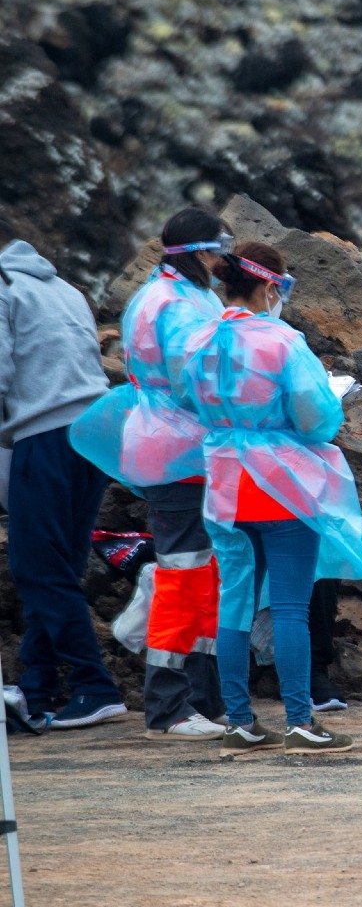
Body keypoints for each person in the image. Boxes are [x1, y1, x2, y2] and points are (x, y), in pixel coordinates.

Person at [184, 242, 362, 756]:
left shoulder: (200, 339)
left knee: (233, 603)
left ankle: (239, 720)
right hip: (281, 484)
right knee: (292, 607)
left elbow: (188, 402)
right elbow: (318, 416)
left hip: (224, 482)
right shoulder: (283, 341)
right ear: (271, 286)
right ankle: (300, 719)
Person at [70, 207, 231, 740]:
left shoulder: (178, 295)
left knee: (202, 573)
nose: (219, 262)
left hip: (180, 446)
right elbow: (196, 379)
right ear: (198, 253)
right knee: (184, 573)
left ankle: (204, 700)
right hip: (177, 449)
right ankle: (170, 706)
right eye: (216, 252)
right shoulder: (175, 302)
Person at [0, 219, 122, 730]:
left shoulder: (3, 289)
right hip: (94, 436)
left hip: (43, 435)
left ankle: (95, 687)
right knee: (60, 569)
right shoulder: (66, 288)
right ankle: (37, 688)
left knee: (36, 568)